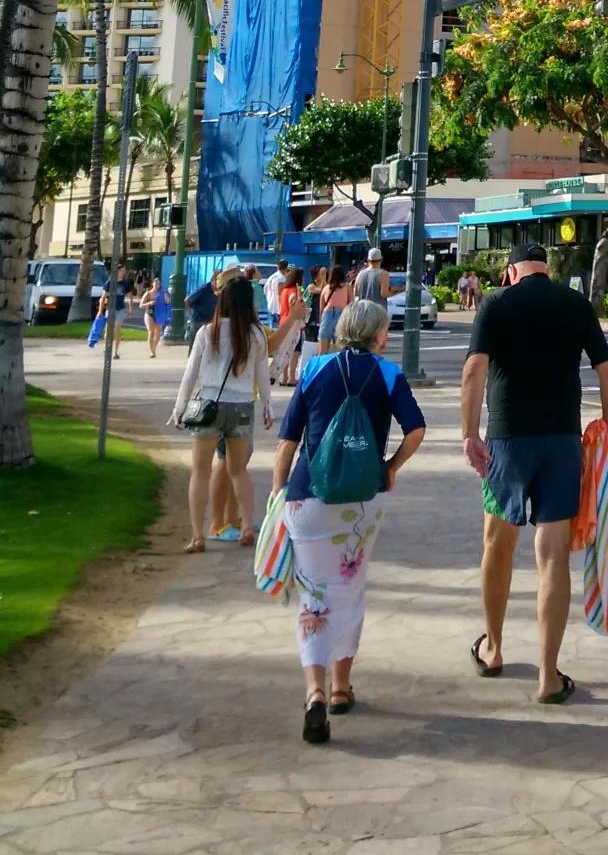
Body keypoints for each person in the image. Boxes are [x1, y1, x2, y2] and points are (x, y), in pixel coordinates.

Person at [460, 241, 608, 703]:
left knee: (498, 543)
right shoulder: (574, 304)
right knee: (552, 557)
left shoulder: (496, 303)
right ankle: (548, 677)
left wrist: (470, 433)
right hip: (562, 443)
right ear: (545, 271)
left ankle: (493, 648)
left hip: (507, 444)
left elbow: (474, 371)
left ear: (511, 272)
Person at [273, 297, 426, 745]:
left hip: (308, 495)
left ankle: (314, 691)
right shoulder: (388, 374)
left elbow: (287, 441)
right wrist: (391, 465)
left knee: (313, 595)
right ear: (380, 335)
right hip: (362, 499)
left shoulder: (315, 369)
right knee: (349, 588)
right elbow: (416, 428)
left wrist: (281, 495)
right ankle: (341, 687)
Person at [169, 272, 272, 551]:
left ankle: (197, 535)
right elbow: (262, 375)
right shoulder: (256, 335)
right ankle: (247, 526)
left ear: (222, 301)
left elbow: (190, 375)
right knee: (238, 471)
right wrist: (267, 406)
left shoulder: (207, 332)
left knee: (201, 471)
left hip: (209, 406)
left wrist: (179, 408)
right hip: (241, 407)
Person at [318, 265, 352, 351]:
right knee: (340, 349)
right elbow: (351, 305)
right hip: (342, 315)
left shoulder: (326, 288)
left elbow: (321, 308)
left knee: (323, 350)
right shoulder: (347, 287)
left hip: (327, 314)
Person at [141, 273, 172, 359]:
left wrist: (166, 297)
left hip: (159, 314)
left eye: (158, 283)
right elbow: (141, 305)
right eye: (155, 282)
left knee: (157, 333)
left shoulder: (163, 293)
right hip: (149, 314)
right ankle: (152, 351)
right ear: (152, 284)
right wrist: (149, 303)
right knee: (151, 332)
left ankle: (154, 348)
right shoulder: (148, 293)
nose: (157, 284)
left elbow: (168, 302)